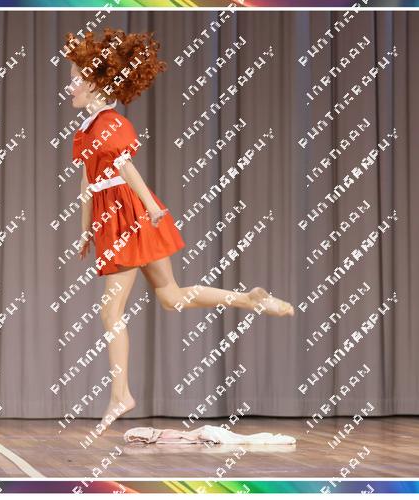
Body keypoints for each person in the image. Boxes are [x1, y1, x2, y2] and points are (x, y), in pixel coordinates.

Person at [65, 28, 294, 434]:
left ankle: (121, 395)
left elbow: (125, 168)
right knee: (171, 297)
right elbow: (87, 182)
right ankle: (248, 299)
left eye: (75, 79)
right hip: (114, 216)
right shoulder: (86, 129)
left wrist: (152, 207)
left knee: (110, 310)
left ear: (96, 82)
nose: (70, 86)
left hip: (127, 216)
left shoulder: (109, 123)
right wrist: (85, 230)